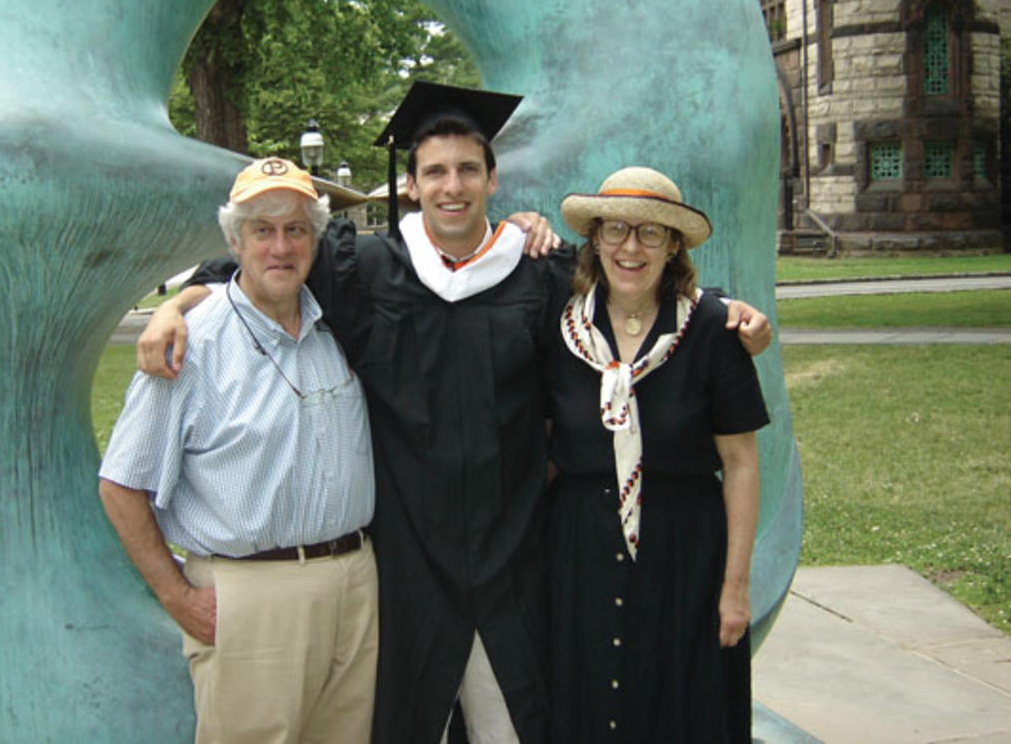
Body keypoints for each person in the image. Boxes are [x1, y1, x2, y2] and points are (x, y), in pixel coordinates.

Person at [137, 83, 772, 744]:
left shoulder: (537, 273)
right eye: (435, 171)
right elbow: (258, 262)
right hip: (408, 560)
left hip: (515, 555)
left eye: (469, 168)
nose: (453, 185)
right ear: (410, 184)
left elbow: (631, 285)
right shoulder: (367, 268)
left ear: (493, 179)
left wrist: (728, 311)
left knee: (515, 723)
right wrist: (173, 306)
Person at [98, 157, 378, 744]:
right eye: (262, 230)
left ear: (315, 239)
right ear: (234, 241)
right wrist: (177, 597)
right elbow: (122, 485)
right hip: (251, 598)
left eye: (296, 229)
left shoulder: (337, 328)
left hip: (353, 587)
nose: (281, 246)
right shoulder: (187, 345)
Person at [546, 166, 769, 743]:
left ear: (674, 246)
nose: (631, 247)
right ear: (594, 238)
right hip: (578, 557)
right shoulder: (560, 329)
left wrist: (735, 586)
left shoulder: (715, 331)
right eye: (617, 229)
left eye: (651, 233)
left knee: (680, 710)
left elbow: (741, 465)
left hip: (684, 557)